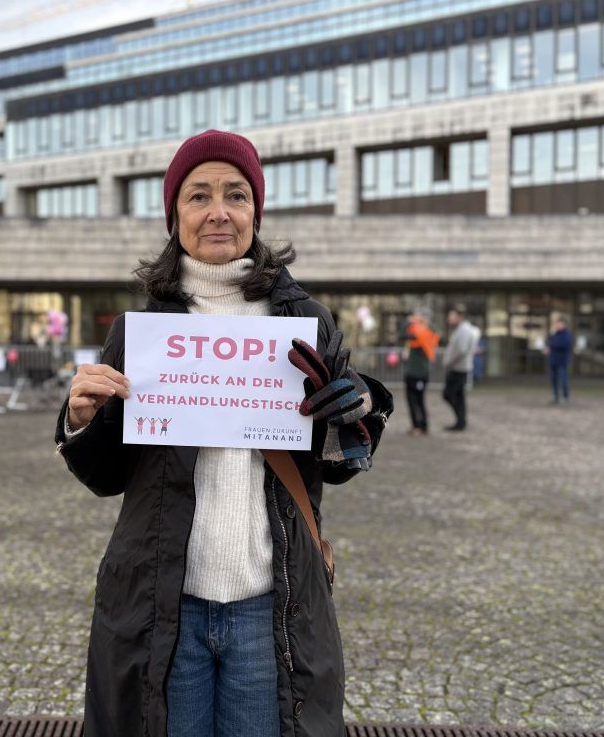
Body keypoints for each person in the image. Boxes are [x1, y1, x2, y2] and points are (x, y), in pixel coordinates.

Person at [55, 130, 392, 737]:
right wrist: (81, 420)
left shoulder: (303, 320)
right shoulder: (142, 329)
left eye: (236, 195)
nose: (218, 211)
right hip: (164, 606)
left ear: (255, 213)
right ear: (174, 215)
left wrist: (354, 413)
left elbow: (340, 460)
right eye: (198, 196)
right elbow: (105, 476)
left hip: (271, 605)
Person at [441, 304, 478, 431]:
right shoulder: (463, 329)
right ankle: (460, 422)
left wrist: (449, 361)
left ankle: (460, 420)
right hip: (460, 367)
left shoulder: (464, 330)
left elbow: (461, 350)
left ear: (460, 316)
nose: (449, 318)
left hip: (458, 368)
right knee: (459, 396)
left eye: (452, 316)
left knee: (450, 395)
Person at [402, 308, 438, 436]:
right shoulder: (415, 333)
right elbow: (403, 335)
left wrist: (415, 322)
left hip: (419, 374)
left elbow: (433, 330)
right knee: (412, 400)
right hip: (412, 373)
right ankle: (417, 425)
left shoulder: (426, 333)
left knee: (418, 400)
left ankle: (421, 426)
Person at [544, 316, 574, 405]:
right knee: (554, 379)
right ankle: (556, 397)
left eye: (560, 324)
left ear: (564, 324)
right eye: (557, 324)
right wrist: (548, 349)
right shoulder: (554, 334)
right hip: (553, 360)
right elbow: (549, 343)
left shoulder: (567, 335)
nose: (558, 325)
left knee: (563, 379)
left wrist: (552, 347)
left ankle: (565, 396)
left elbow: (564, 345)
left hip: (562, 361)